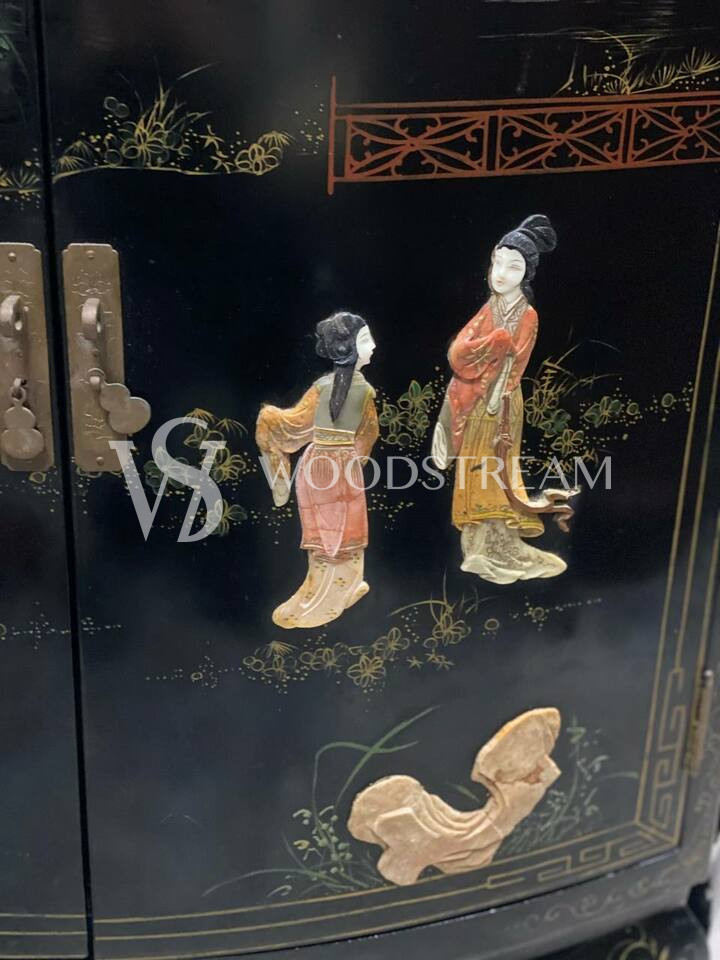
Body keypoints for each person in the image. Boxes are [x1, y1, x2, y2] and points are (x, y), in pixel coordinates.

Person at [432, 215, 567, 584]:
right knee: (472, 467)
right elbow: (459, 350)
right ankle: (476, 547)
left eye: (514, 267)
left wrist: (494, 392)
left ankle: (499, 545)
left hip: (502, 401)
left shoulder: (527, 315)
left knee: (495, 466)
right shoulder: (489, 308)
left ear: (526, 274)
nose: (502, 274)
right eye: (498, 263)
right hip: (475, 397)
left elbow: (515, 362)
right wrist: (492, 345)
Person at [256, 312, 378, 628]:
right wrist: (355, 460)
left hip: (317, 464)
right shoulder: (363, 391)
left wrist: (271, 419)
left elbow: (296, 421)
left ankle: (331, 591)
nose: (374, 346)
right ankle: (336, 590)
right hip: (343, 465)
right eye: (366, 340)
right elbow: (369, 433)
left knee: (327, 532)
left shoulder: (324, 388)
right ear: (348, 348)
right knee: (344, 529)